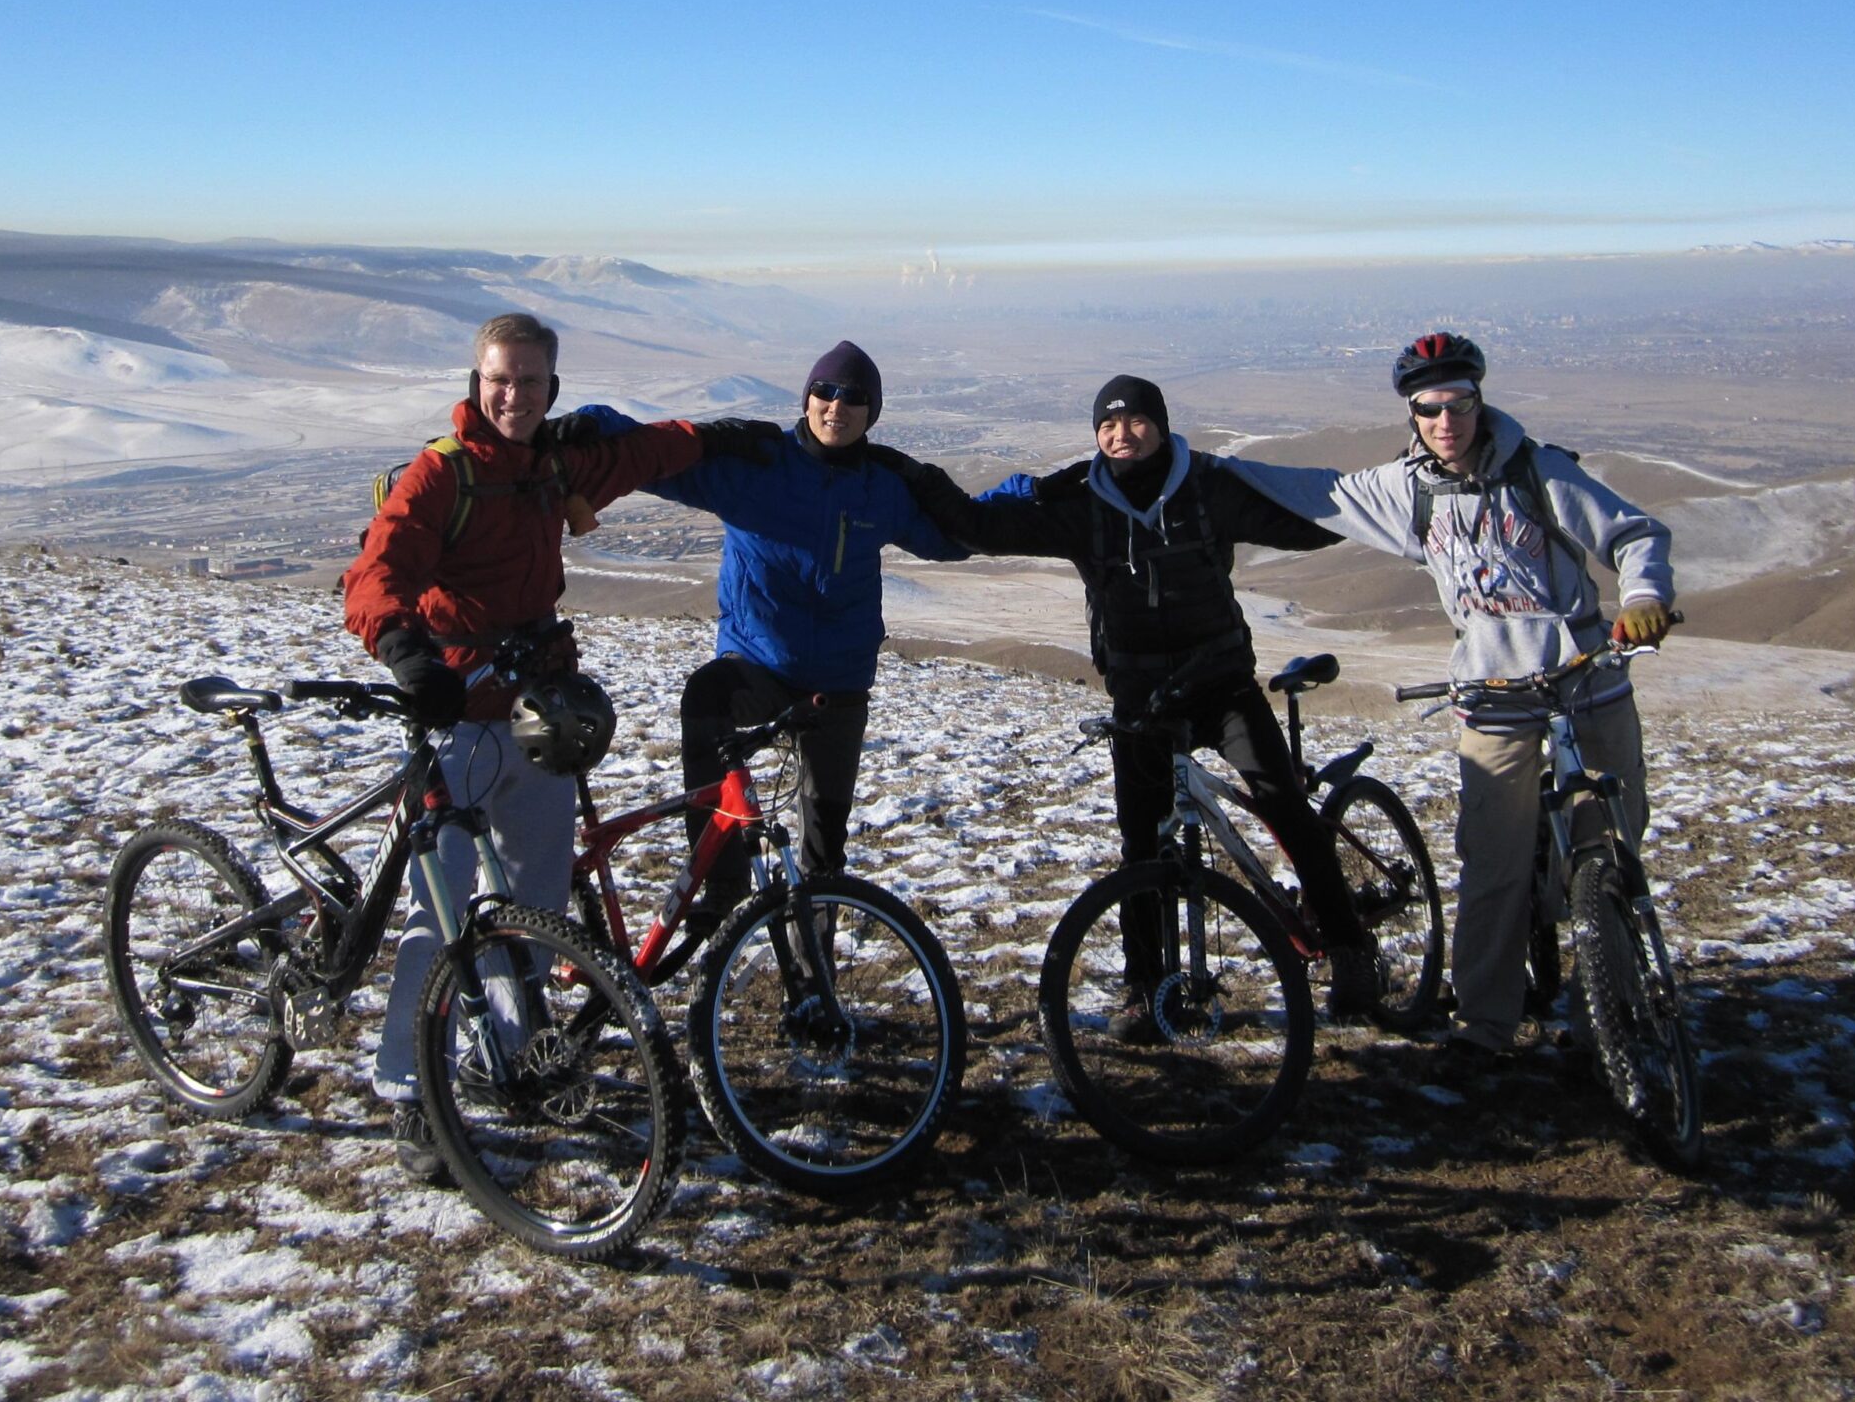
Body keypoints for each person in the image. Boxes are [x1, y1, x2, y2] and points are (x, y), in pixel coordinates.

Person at [341, 310, 771, 1178]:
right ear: (476, 383)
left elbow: (648, 452)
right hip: (456, 714)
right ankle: (410, 1091)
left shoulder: (556, 466)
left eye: (530, 382)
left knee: (533, 899)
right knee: (441, 916)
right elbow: (376, 575)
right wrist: (403, 651)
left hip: (535, 712)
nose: (514, 395)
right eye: (500, 379)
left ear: (552, 389)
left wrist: (731, 437)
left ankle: (511, 1054)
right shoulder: (440, 478)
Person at [1228, 331, 1675, 1077]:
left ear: (1479, 400)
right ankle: (1485, 1023)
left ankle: (1617, 1013)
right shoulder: (1412, 490)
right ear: (1413, 414)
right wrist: (1195, 467)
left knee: (1609, 850)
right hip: (1494, 693)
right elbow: (1321, 493)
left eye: (1458, 403)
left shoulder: (1542, 471)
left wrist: (1646, 597)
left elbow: (1634, 534)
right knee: (1493, 860)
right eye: (1428, 408)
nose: (1445, 420)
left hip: (1588, 682)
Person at [898, 374, 1382, 1026]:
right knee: (1143, 850)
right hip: (1143, 700)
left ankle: (1348, 945)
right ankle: (1144, 989)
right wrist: (910, 474)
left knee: (1284, 805)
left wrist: (1382, 506)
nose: (1121, 435)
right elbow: (979, 528)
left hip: (1222, 685)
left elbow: (1303, 521)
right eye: (1107, 426)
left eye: (1134, 422)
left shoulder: (1210, 488)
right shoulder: (1079, 504)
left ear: (1159, 424)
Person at [605, 341, 969, 922]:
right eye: (824, 392)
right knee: (706, 695)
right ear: (805, 399)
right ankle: (719, 883)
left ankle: (813, 992)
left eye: (854, 398)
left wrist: (1012, 499)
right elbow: (656, 457)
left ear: (871, 412)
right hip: (759, 667)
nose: (835, 406)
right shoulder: (756, 466)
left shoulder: (882, 486)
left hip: (837, 687)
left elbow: (954, 538)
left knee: (823, 853)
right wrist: (585, 427)